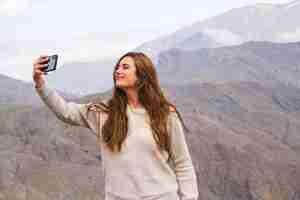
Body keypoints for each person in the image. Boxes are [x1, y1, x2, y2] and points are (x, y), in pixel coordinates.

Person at [32, 52, 199, 200]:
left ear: (142, 75)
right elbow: (66, 112)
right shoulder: (104, 113)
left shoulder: (165, 114)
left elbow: (183, 163)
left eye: (125, 67)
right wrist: (40, 83)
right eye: (118, 67)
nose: (118, 71)